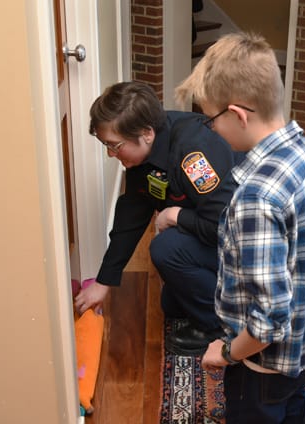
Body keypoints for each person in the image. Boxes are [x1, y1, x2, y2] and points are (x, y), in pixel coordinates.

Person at [175, 33, 305, 423]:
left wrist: (226, 352)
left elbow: (269, 323)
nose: (210, 130)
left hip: (264, 363)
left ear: (237, 114)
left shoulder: (255, 198)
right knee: (291, 409)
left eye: (210, 119)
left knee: (261, 412)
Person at [74, 81, 239, 355]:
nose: (110, 154)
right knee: (172, 306)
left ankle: (220, 327)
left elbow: (224, 226)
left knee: (165, 249)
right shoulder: (144, 156)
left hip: (245, 242)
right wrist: (104, 281)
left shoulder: (194, 154)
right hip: (212, 231)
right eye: (105, 144)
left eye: (114, 145)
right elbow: (130, 217)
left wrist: (176, 216)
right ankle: (216, 299)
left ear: (147, 133)